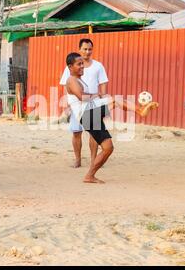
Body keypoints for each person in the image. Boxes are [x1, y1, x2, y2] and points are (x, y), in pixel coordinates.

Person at [65, 52, 158, 184]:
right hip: (87, 113)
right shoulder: (71, 80)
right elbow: (82, 97)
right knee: (116, 100)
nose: (82, 66)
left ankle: (89, 176)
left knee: (108, 148)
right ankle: (140, 110)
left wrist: (97, 95)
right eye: (78, 64)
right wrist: (97, 95)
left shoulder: (79, 79)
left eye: (82, 64)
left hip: (90, 113)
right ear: (70, 66)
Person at [60, 39, 109, 168]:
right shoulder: (71, 66)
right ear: (79, 49)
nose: (87, 52)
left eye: (90, 49)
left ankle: (94, 160)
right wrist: (66, 105)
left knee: (95, 133)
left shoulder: (98, 66)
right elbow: (65, 85)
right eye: (85, 49)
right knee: (76, 132)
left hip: (93, 103)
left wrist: (103, 103)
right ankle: (78, 159)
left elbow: (103, 84)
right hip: (77, 105)